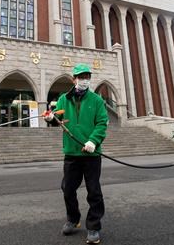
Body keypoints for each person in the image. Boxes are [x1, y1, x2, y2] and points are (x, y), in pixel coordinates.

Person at [44, 63, 108, 245]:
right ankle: (73, 219)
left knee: (94, 191)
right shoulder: (64, 98)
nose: (84, 80)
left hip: (91, 154)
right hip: (72, 153)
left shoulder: (96, 100)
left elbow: (102, 123)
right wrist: (51, 118)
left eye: (87, 77)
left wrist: (93, 141)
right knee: (68, 189)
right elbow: (57, 116)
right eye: (81, 77)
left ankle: (94, 226)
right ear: (74, 79)